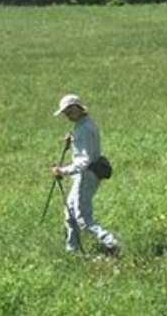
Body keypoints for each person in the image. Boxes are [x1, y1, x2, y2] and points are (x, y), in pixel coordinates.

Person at [50, 94, 120, 255]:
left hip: (86, 175)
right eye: (65, 113)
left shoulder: (85, 128)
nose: (67, 115)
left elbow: (84, 161)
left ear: (77, 108)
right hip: (83, 175)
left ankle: (112, 243)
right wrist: (72, 141)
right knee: (70, 213)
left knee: (82, 218)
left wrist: (62, 171)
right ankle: (72, 250)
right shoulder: (82, 125)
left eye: (69, 111)